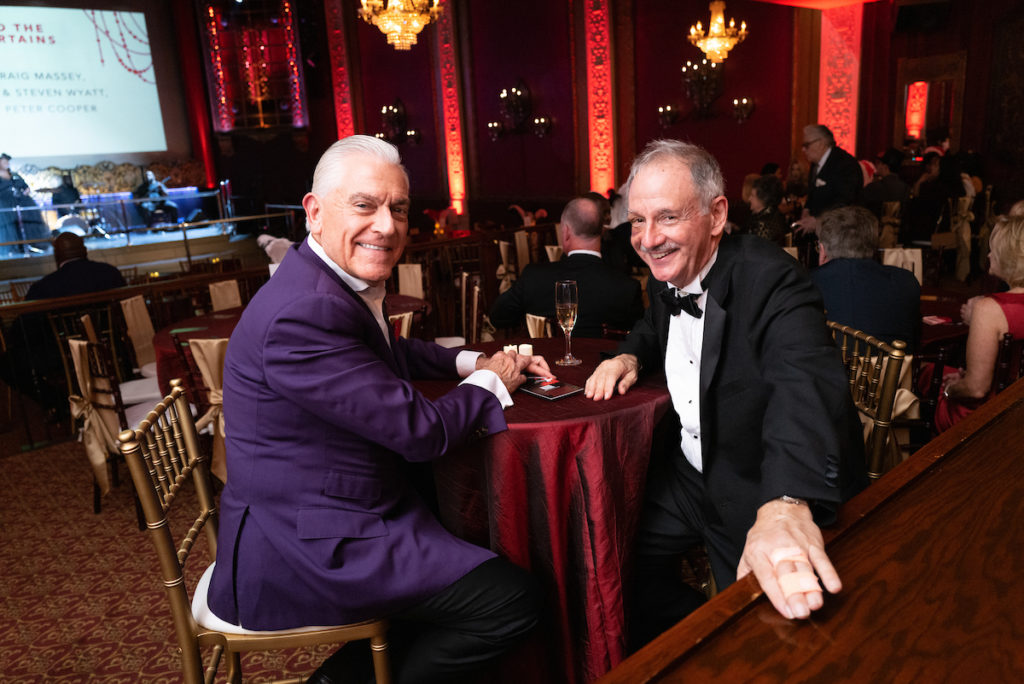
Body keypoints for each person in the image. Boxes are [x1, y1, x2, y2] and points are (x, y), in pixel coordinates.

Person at [207, 135, 545, 684]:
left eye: (399, 208)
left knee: (467, 533)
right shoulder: (305, 311)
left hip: (330, 503)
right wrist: (492, 379)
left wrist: (471, 360)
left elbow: (388, 350)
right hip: (311, 540)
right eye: (365, 205)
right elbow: (421, 432)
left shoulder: (322, 276)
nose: (386, 225)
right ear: (314, 212)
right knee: (512, 601)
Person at [583, 140, 866, 647]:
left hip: (756, 482)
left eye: (667, 217)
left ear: (716, 215)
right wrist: (627, 355)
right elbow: (654, 324)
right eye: (637, 221)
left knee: (772, 629)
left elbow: (804, 380)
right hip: (691, 475)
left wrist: (784, 502)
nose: (647, 240)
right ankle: (690, 634)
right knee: (608, 555)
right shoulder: (668, 275)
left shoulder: (771, 279)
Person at [490, 196, 643, 338]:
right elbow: (641, 340)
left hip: (544, 365)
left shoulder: (534, 277)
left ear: (566, 232)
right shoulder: (627, 288)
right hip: (604, 365)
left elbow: (498, 317)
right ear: (601, 231)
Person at [929, 215, 1024, 432]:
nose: (989, 255)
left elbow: (976, 389)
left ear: (1009, 257)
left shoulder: (991, 309)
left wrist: (949, 391)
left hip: (989, 419)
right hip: (1016, 410)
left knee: (929, 383)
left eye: (994, 249)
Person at [811, 206, 921, 350]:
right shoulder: (906, 282)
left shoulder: (806, 284)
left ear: (822, 251)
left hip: (826, 370)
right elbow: (915, 342)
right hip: (891, 371)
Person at [794, 124, 863, 234]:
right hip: (821, 233)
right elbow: (813, 192)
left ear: (821, 143)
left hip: (842, 232)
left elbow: (845, 201)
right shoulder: (815, 163)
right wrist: (807, 209)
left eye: (806, 145)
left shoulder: (846, 164)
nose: (803, 149)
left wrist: (819, 220)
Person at [24, 232, 125, 300]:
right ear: (85, 250)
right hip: (110, 330)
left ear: (56, 255)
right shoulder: (110, 273)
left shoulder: (43, 287)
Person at [0, 152, 47, 254]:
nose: (7, 163)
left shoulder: (14, 175)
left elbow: (25, 187)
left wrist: (25, 192)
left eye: (7, 161)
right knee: (11, 227)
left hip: (21, 202)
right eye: (4, 161)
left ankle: (32, 244)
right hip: (5, 204)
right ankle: (15, 247)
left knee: (28, 223)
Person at [862, 148, 909, 219]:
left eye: (879, 163)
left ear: (885, 167)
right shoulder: (905, 188)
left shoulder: (873, 188)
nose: (877, 166)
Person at [742, 174, 788, 246]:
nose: (749, 199)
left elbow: (753, 252)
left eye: (752, 195)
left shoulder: (763, 224)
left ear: (763, 199)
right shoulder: (772, 214)